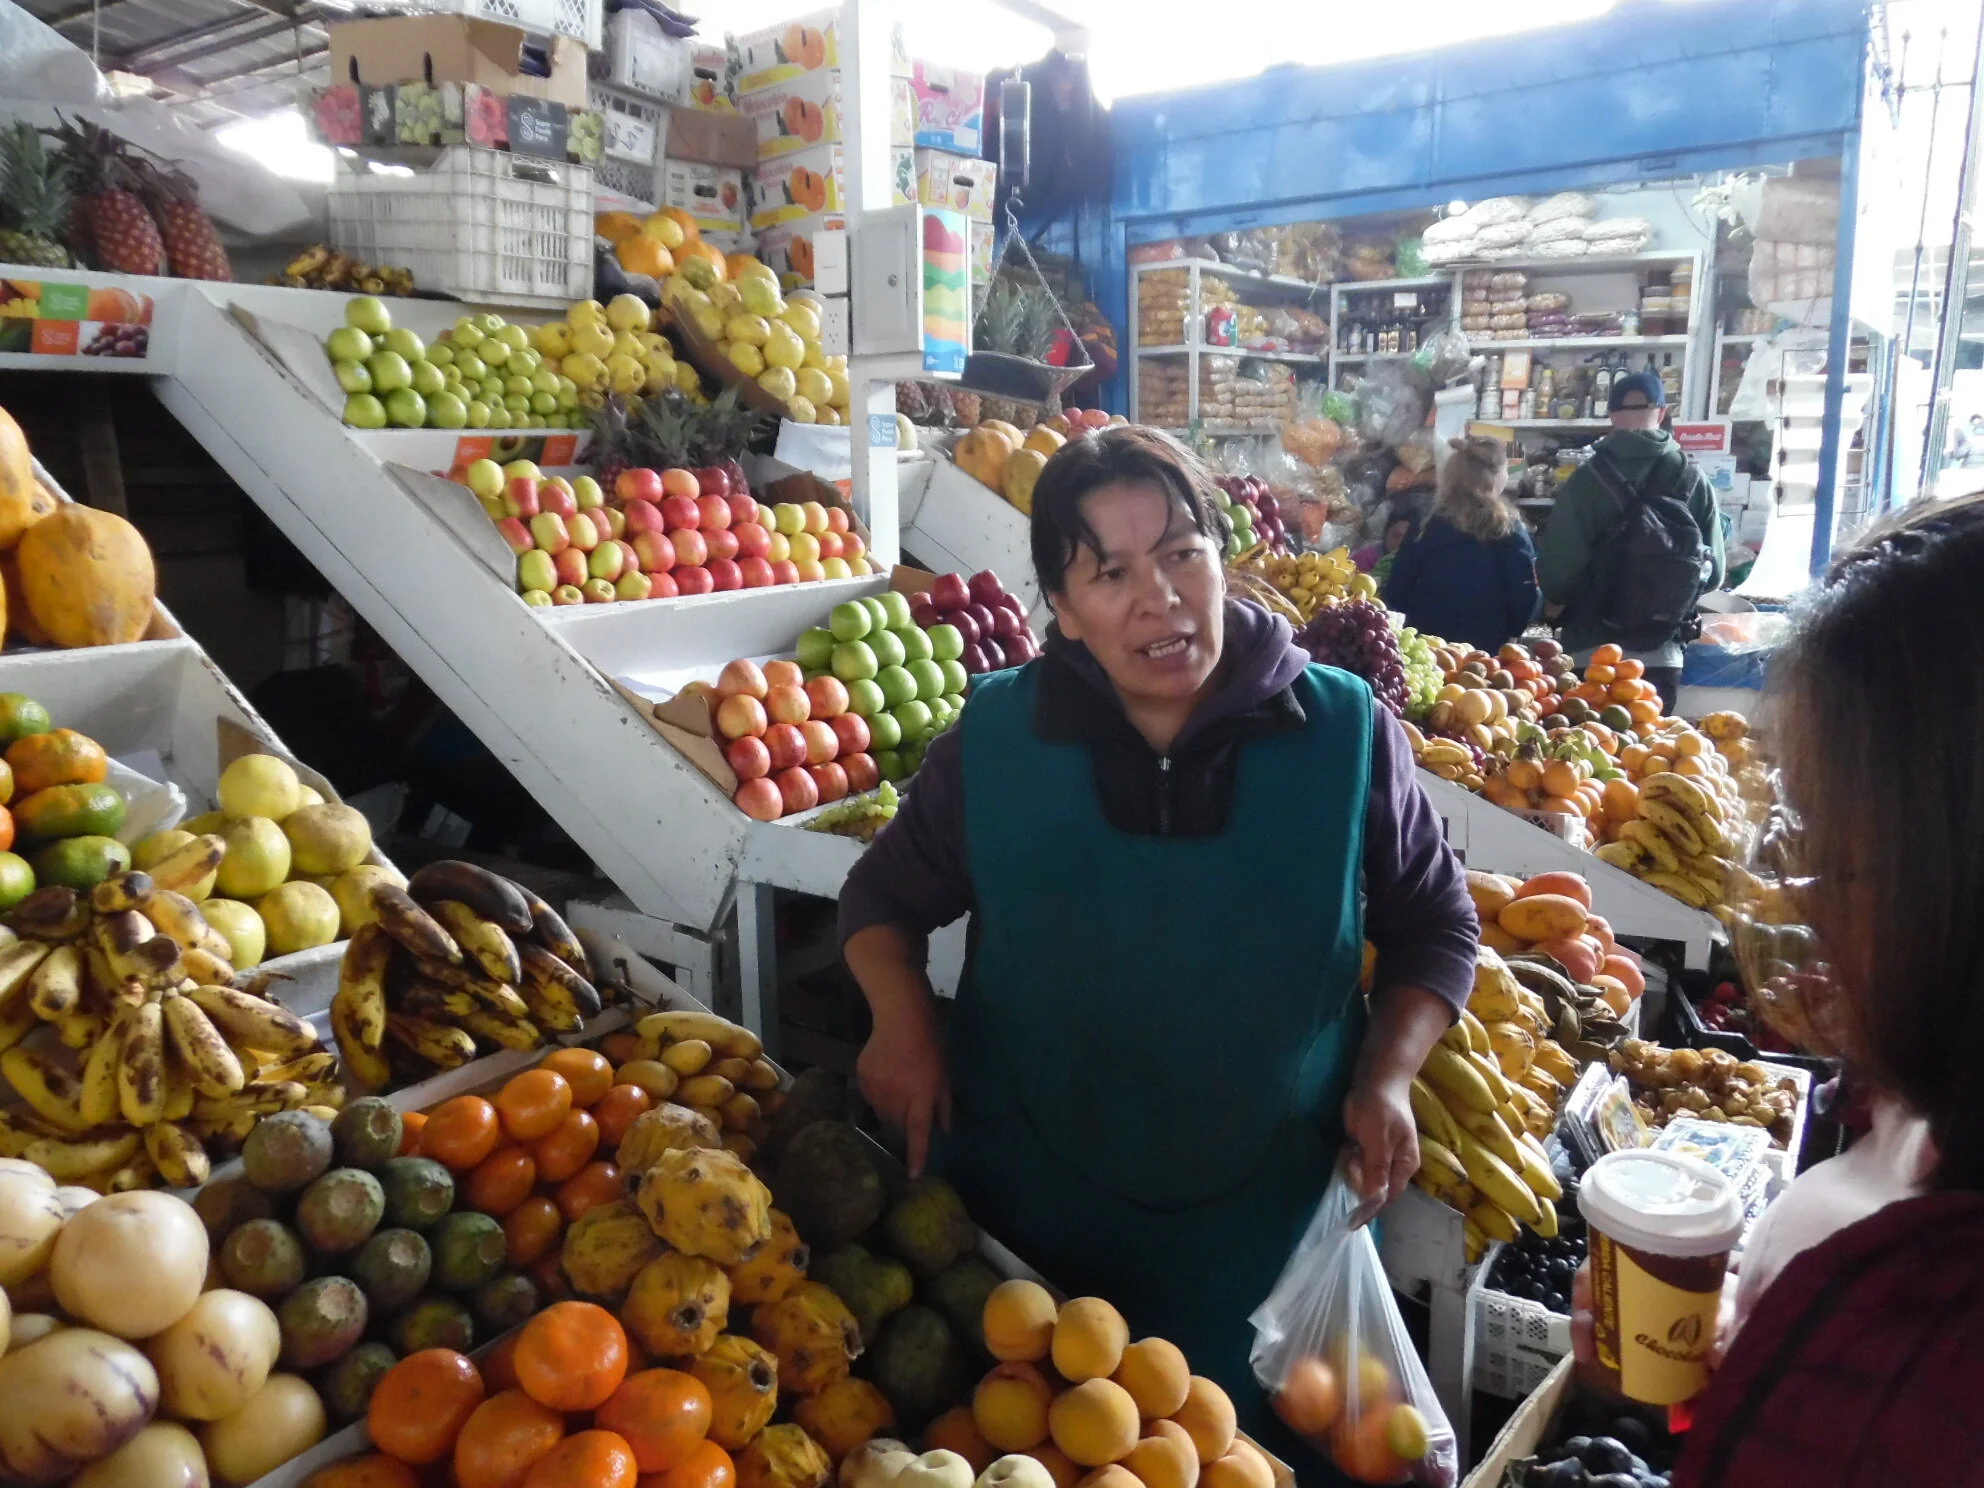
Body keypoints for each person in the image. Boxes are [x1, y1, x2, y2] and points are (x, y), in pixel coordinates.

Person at [838, 426, 1477, 1450]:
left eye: (1182, 553)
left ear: (1222, 558)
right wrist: (899, 1016)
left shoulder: (1342, 734)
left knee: (1237, 1461)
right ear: (1062, 606)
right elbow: (880, 900)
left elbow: (1434, 922)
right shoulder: (998, 739)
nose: (1161, 599)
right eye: (1111, 572)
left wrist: (1389, 1074)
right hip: (1027, 1215)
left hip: (1255, 1229)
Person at [1571, 493, 1984, 1484]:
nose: (1807, 900)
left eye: (1841, 851)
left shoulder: (1933, 1360)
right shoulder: (1917, 1122)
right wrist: (1732, 1382)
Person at [1536, 371, 1724, 713]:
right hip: (1663, 651)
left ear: (1611, 415)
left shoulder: (1585, 482)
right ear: (1663, 413)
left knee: (1587, 756)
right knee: (1653, 760)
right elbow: (1714, 574)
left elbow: (1558, 576)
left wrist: (1556, 603)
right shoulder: (1695, 480)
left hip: (1593, 655)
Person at [1382, 435, 1540, 652]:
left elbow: (1397, 588)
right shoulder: (1508, 528)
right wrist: (1514, 630)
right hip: (1486, 649)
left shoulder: (1426, 524)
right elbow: (1524, 593)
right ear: (1496, 476)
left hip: (1427, 646)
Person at [1353, 512, 1413, 585]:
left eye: (1406, 538)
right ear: (1386, 533)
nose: (1400, 542)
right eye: (1396, 536)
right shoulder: (1366, 558)